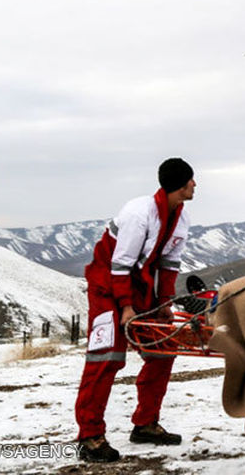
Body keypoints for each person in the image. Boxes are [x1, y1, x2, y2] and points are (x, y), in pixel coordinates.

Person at [73, 158, 195, 463]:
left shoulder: (180, 216)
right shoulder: (138, 214)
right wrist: (126, 307)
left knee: (163, 351)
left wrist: (164, 303)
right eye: (191, 180)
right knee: (106, 358)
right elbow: (120, 264)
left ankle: (146, 424)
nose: (195, 185)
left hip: (143, 289)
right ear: (179, 185)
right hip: (108, 287)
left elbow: (169, 265)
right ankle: (89, 436)